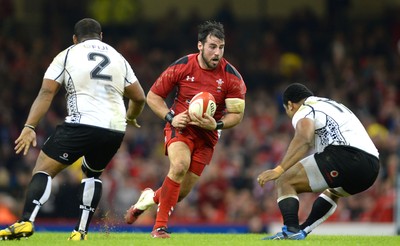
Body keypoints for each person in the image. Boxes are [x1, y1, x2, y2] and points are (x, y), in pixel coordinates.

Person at [0, 18, 146, 241]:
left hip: (82, 123)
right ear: (101, 36)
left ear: (75, 38)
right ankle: (81, 232)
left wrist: (30, 126)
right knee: (92, 174)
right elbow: (139, 97)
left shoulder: (67, 54)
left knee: (43, 168)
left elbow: (46, 93)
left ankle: (25, 222)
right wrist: (131, 117)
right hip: (115, 129)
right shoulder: (118, 57)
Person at [124, 20, 247, 238]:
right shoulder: (182, 66)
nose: (217, 52)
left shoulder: (232, 77)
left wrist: (217, 124)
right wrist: (171, 117)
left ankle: (149, 199)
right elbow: (153, 96)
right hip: (180, 128)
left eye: (221, 47)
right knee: (179, 166)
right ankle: (159, 227)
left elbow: (237, 115)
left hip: (208, 136)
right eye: (212, 46)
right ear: (200, 45)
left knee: (179, 194)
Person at [257, 83, 380, 240]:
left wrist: (279, 169)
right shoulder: (330, 104)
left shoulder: (305, 108)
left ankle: (290, 231)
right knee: (333, 190)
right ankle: (302, 230)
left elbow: (304, 138)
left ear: (290, 105)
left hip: (346, 155)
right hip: (371, 168)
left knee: (285, 180)